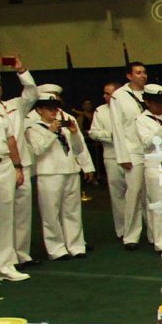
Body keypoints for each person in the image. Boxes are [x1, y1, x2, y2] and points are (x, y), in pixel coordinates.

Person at [25, 85, 95, 260]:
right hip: (49, 172)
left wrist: (74, 134)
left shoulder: (65, 121)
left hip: (70, 170)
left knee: (72, 210)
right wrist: (51, 132)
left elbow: (78, 147)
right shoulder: (33, 127)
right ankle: (56, 249)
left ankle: (76, 245)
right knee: (51, 212)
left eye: (55, 108)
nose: (53, 112)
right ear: (39, 109)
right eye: (49, 109)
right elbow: (38, 149)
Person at [109, 61, 149, 248]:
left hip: (151, 150)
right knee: (133, 194)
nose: (143, 76)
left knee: (151, 195)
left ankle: (154, 233)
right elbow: (117, 127)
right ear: (129, 76)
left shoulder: (152, 92)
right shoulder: (119, 96)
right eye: (138, 73)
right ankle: (131, 236)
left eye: (144, 72)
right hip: (132, 151)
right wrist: (122, 156)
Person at [136, 84, 162, 251]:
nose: (161, 106)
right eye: (156, 102)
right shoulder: (142, 120)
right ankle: (159, 241)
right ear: (147, 102)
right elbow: (147, 143)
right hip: (154, 166)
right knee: (158, 204)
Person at [88, 83, 128, 240]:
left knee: (137, 194)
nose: (105, 96)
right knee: (117, 195)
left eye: (108, 94)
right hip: (112, 155)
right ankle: (122, 230)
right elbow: (93, 132)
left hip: (131, 156)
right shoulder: (100, 111)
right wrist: (112, 136)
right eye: (104, 93)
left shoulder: (127, 107)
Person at [0, 83, 28, 281]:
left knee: (5, 216)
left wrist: (18, 166)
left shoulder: (2, 109)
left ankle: (5, 265)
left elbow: (11, 140)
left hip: (4, 164)